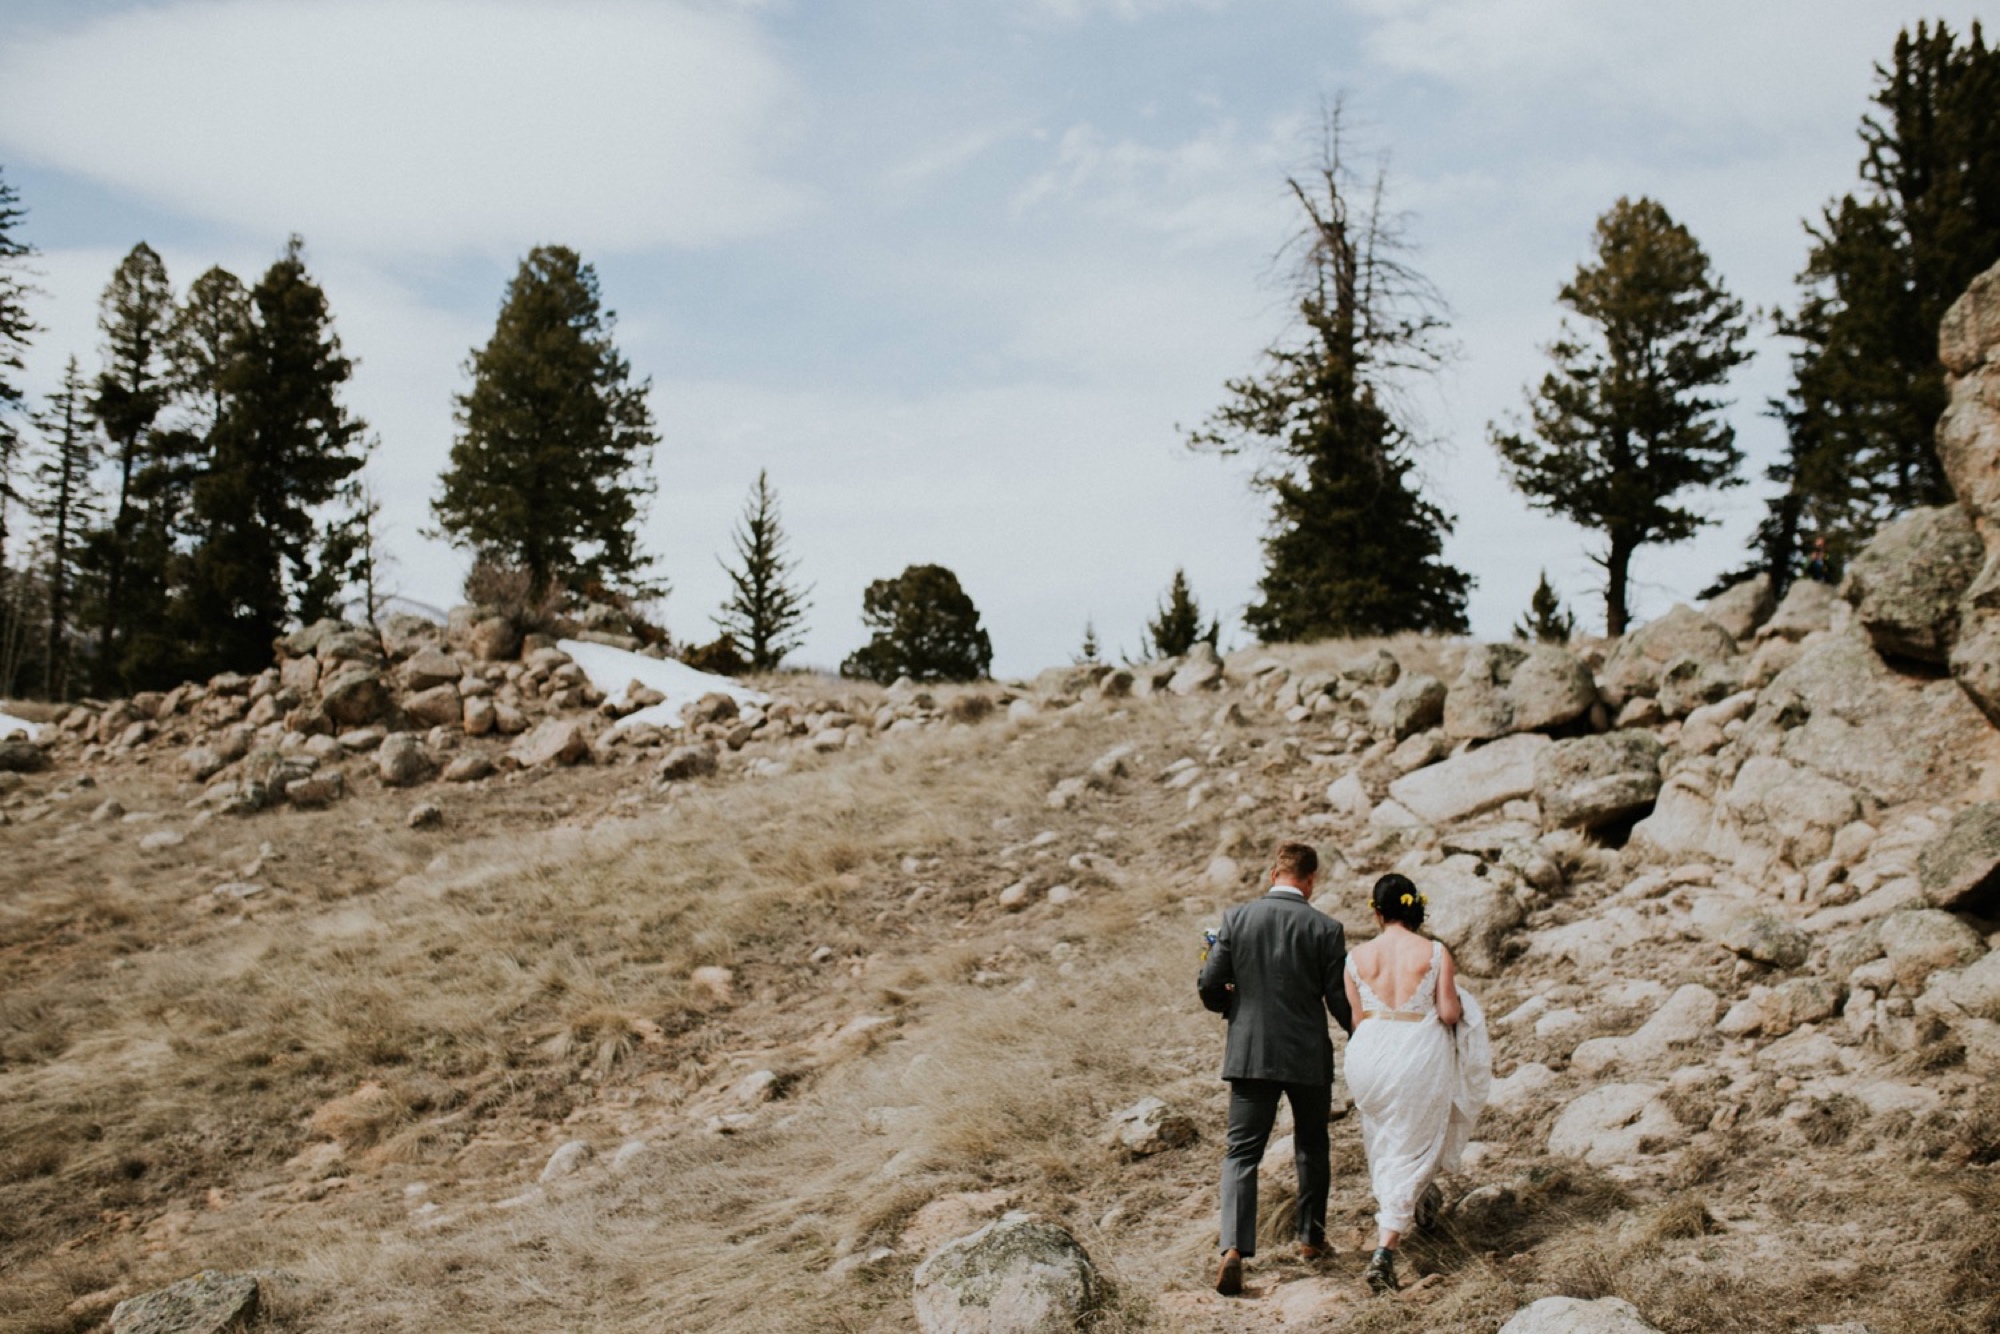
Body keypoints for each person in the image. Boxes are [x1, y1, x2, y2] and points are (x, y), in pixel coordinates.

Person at [1197, 841, 1353, 1296]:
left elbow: (1209, 984)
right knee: (1311, 1144)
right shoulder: (1327, 928)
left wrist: (1234, 1006)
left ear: (1273, 873)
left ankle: (1233, 1248)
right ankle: (1310, 1239)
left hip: (1250, 1054)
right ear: (1311, 880)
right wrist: (1365, 1035)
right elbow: (1338, 1000)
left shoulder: (1237, 919)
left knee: (1241, 1153)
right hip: (1307, 1055)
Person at [1342, 872, 1490, 1294]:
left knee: (1388, 1138)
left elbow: (1356, 1020)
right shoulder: (1435, 951)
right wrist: (1463, 1003)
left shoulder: (1355, 958)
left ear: (1376, 912)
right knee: (1416, 1141)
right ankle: (1385, 1249)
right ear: (1413, 908)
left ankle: (1420, 1201)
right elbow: (1447, 1013)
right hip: (1415, 1052)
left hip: (1368, 1055)